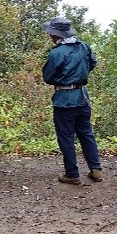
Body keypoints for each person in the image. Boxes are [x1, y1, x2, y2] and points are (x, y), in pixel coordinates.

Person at [42, 16, 103, 185]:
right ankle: (96, 169)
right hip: (83, 97)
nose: (50, 37)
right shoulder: (84, 47)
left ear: (56, 35)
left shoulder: (56, 53)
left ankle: (72, 174)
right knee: (86, 133)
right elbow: (92, 63)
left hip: (64, 100)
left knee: (66, 137)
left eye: (51, 34)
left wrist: (64, 78)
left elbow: (48, 77)